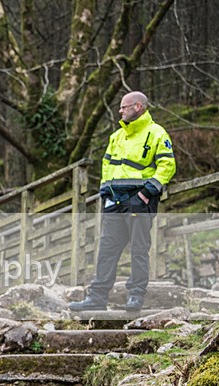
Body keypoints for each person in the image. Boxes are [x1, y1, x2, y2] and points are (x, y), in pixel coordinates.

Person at [69, 91, 175, 313]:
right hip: (114, 202)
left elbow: (167, 165)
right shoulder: (116, 136)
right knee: (107, 250)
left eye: (124, 107)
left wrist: (147, 192)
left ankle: (136, 296)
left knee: (139, 249)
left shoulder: (156, 133)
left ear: (138, 107)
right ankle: (97, 297)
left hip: (140, 200)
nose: (120, 110)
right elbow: (107, 166)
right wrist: (105, 194)